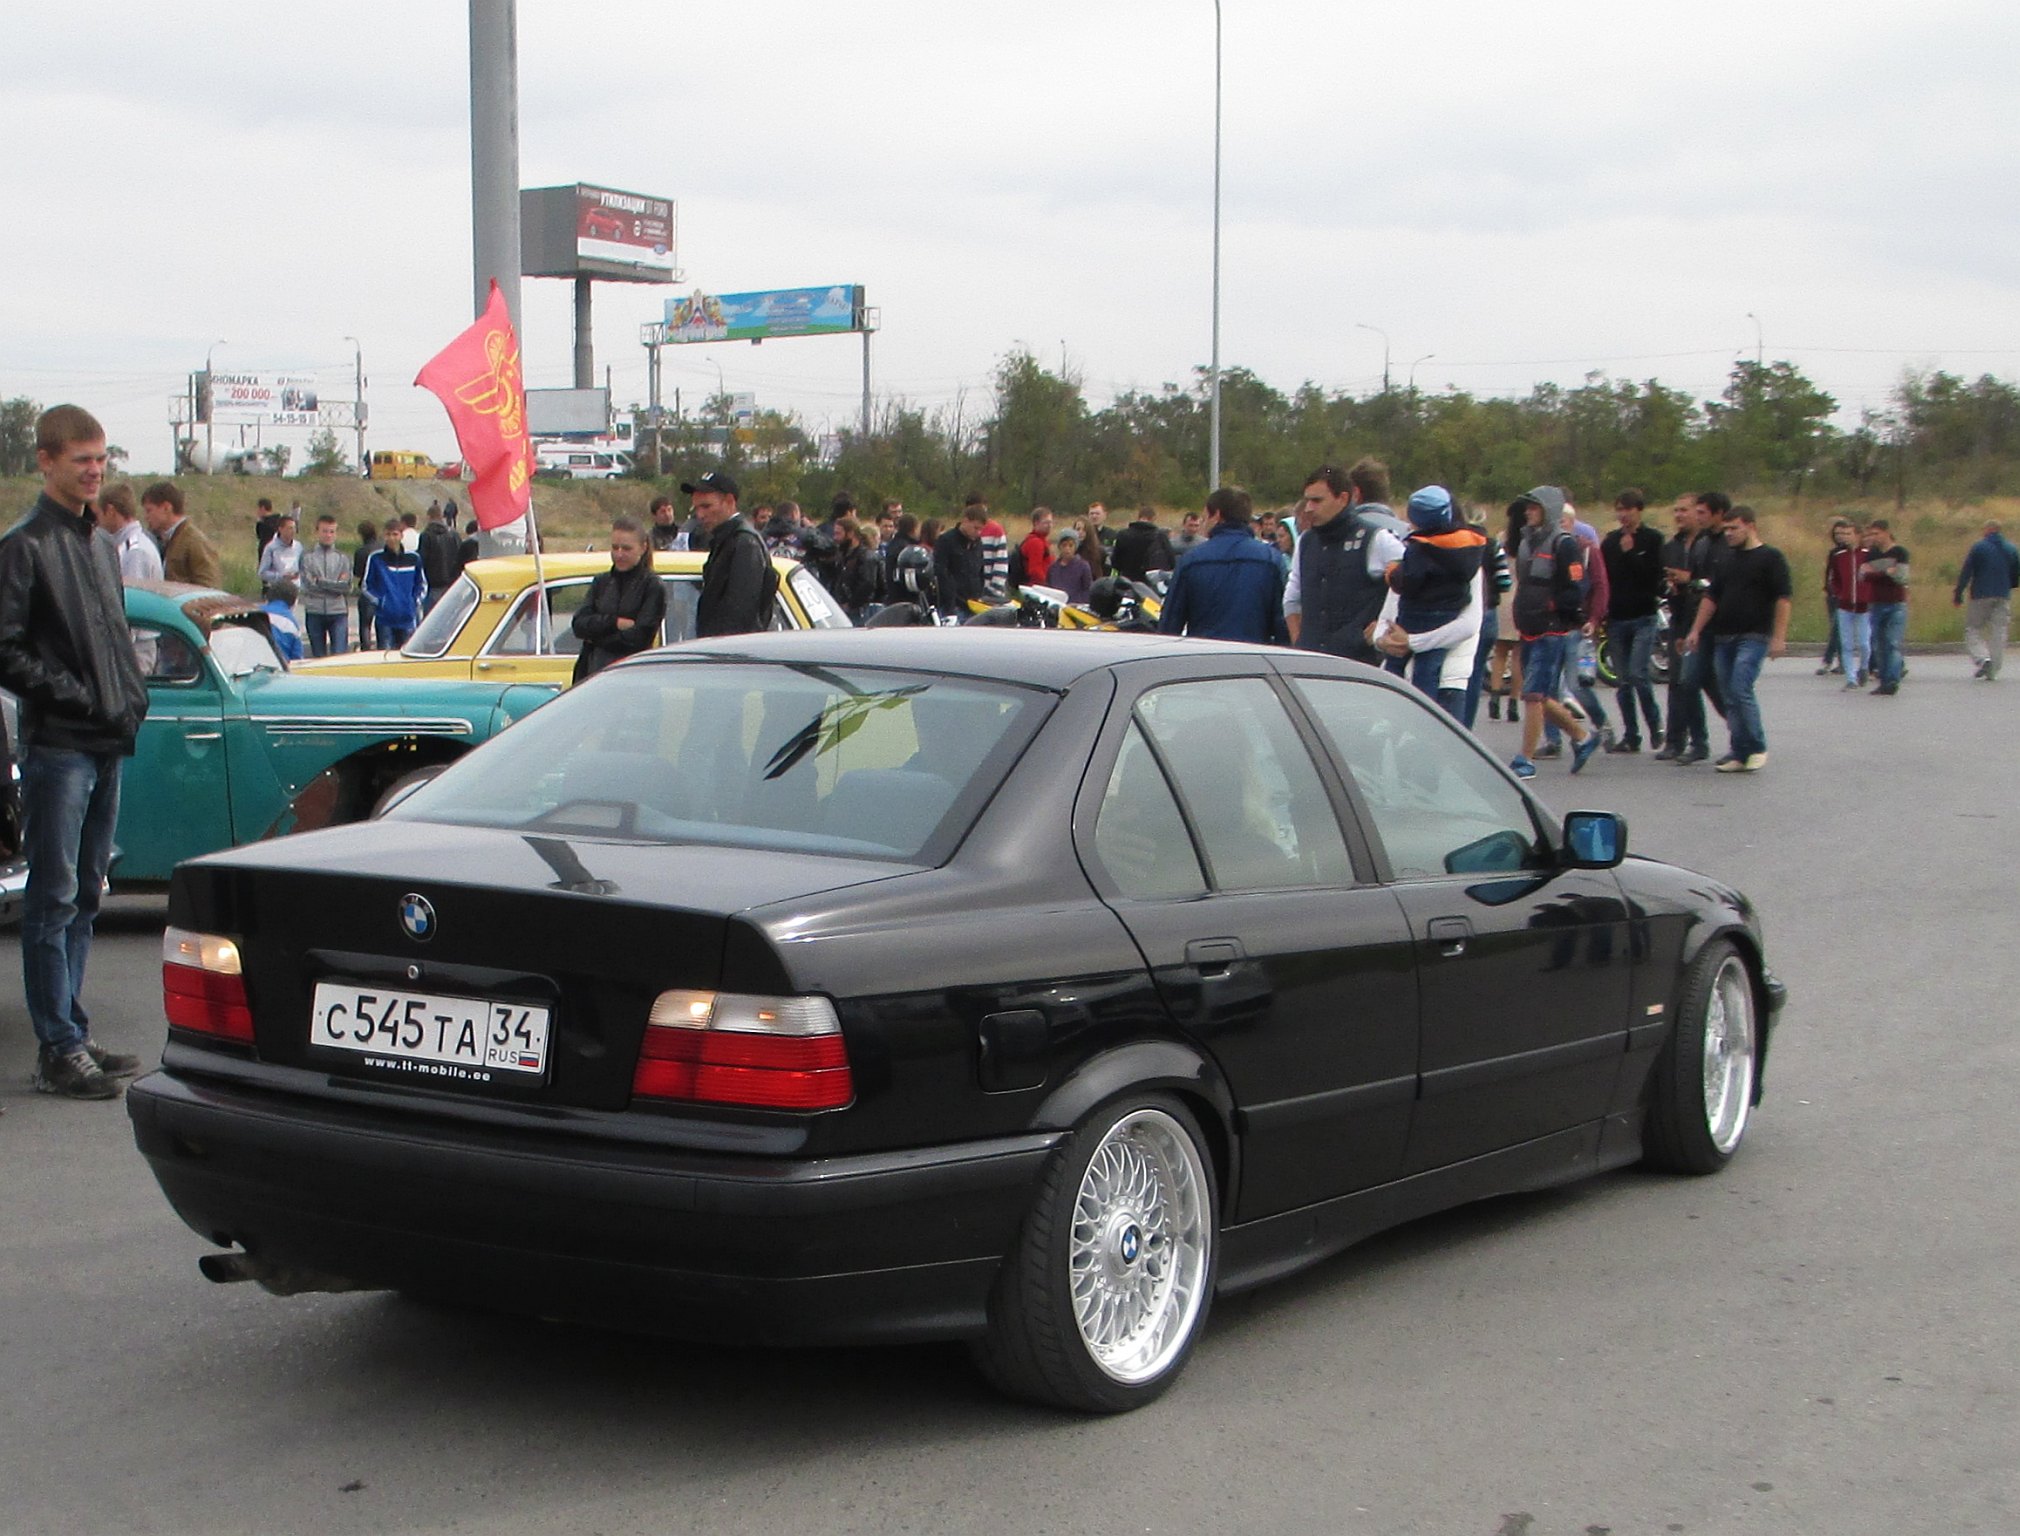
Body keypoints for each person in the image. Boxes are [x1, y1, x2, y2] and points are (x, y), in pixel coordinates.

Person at [0, 405, 149, 1099]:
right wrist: (85, 699)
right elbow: (6, 650)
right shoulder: (24, 546)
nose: (94, 471)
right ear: (47, 462)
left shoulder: (98, 543)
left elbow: (114, 636)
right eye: (81, 459)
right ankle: (58, 1047)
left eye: (100, 458)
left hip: (105, 740)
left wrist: (128, 697)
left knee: (88, 893)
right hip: (60, 745)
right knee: (54, 897)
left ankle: (71, 1029)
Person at [1680, 505, 1790, 771]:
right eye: (1726, 528)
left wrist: (1779, 637)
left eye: (1734, 528)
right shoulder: (1726, 560)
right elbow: (1711, 598)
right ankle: (1739, 752)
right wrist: (1695, 630)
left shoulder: (1771, 557)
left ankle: (1756, 746)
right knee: (1728, 694)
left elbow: (1783, 599)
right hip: (1723, 636)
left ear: (1750, 526)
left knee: (1741, 687)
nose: (1728, 533)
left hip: (1753, 635)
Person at [1507, 486, 1599, 777]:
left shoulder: (1564, 543)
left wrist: (1558, 610)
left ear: (1548, 509)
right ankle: (1583, 737)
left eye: (1534, 507)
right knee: (1539, 694)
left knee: (1534, 695)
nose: (1528, 512)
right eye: (1527, 507)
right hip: (1528, 625)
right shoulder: (1526, 541)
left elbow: (1575, 585)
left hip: (1551, 627)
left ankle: (1525, 759)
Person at [1286, 459, 1404, 663]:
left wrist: (1385, 624)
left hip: (1359, 664)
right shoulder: (1306, 541)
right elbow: (1291, 598)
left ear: (1342, 498)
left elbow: (1415, 581)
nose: (1309, 508)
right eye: (1307, 501)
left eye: (1317, 501)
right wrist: (1299, 642)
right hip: (1311, 663)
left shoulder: (1375, 538)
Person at [1381, 484, 1486, 707]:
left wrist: (1393, 573)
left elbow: (1469, 625)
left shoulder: (1419, 549)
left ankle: (1406, 694)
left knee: (1396, 665)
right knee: (1429, 668)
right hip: (1448, 611)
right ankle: (1424, 705)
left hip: (1417, 618)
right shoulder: (1468, 550)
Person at [1654, 491, 1731, 763]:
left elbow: (1711, 583)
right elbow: (1666, 584)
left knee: (1712, 684)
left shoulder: (1714, 543)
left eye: (1686, 510)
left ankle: (1742, 735)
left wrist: (1688, 579)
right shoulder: (1672, 546)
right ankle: (1681, 740)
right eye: (1676, 510)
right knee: (1682, 682)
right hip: (1683, 618)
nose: (1680, 515)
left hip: (1711, 622)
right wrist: (1670, 586)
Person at [1158, 486, 1288, 644]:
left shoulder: (1191, 561)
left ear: (1217, 515)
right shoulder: (1271, 560)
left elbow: (1169, 626)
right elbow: (1282, 623)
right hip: (1254, 653)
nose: (1204, 523)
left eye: (1205, 517)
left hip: (1205, 653)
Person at [1599, 488, 1665, 752]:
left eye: (1628, 509)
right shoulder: (1610, 542)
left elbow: (1653, 579)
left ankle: (1655, 725)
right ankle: (1631, 734)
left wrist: (1632, 554)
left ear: (1639, 511)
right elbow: (1604, 580)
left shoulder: (1653, 540)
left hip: (1643, 616)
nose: (1623, 515)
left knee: (1638, 674)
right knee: (1623, 680)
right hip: (1617, 618)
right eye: (1619, 510)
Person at [570, 515, 667, 684]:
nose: (619, 554)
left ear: (643, 547)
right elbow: (579, 624)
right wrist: (614, 623)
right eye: (615, 548)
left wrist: (595, 638)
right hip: (592, 675)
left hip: (632, 677)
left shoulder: (652, 586)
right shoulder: (601, 582)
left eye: (626, 549)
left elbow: (638, 638)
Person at [689, 471, 773, 636]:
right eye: (696, 508)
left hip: (730, 646)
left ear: (729, 501)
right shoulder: (726, 539)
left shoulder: (744, 543)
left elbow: (740, 614)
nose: (700, 515)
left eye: (706, 506)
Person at [1954, 519, 2018, 680]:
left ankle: (1983, 659)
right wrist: (2009, 586)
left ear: (1988, 529)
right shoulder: (2011, 548)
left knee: (1973, 629)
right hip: (2003, 595)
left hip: (1980, 595)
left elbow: (1967, 571)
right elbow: (2016, 572)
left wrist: (1958, 593)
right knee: (1999, 632)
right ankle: (1994, 669)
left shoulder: (1979, 547)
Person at [140, 480, 222, 588]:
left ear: (166, 508)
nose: (146, 517)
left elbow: (209, 588)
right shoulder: (161, 539)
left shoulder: (194, 541)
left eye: (149, 511)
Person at [1862, 519, 1911, 696]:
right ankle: (1883, 680)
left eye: (1876, 533)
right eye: (1871, 534)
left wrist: (1876, 573)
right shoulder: (1871, 554)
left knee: (1892, 642)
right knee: (1878, 644)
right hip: (1876, 603)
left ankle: (1892, 680)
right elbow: (1863, 575)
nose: (1873, 537)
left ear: (1886, 532)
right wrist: (1885, 572)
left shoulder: (1900, 552)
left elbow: (1901, 577)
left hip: (1896, 603)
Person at [1824, 518, 1872, 689]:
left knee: (1864, 643)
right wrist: (1838, 592)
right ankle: (1851, 678)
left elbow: (1876, 576)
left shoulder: (1868, 554)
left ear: (1858, 535)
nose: (1844, 537)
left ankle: (1864, 667)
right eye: (1843, 533)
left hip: (1864, 606)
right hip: (1844, 605)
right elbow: (1834, 578)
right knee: (1846, 644)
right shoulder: (1838, 556)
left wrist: (1869, 594)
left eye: (1848, 533)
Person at [299, 514, 354, 657]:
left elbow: (347, 587)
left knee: (339, 655)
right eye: (324, 531)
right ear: (317, 532)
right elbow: (308, 586)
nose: (328, 535)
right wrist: (334, 586)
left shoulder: (343, 558)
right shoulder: (307, 557)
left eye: (332, 532)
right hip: (315, 611)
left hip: (338, 612)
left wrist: (320, 582)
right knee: (318, 656)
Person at [364, 533, 427, 648]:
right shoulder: (376, 558)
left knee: (406, 652)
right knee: (385, 653)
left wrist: (414, 601)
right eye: (388, 534)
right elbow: (367, 585)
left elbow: (421, 583)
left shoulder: (413, 558)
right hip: (385, 618)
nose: (392, 538)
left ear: (401, 536)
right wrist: (380, 601)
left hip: (407, 617)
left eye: (395, 534)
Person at [1819, 518, 1862, 679]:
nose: (1840, 537)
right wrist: (1829, 589)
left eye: (1844, 533)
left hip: (1849, 595)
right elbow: (1831, 574)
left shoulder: (1857, 553)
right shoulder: (1835, 553)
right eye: (1837, 533)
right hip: (1834, 595)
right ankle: (1839, 662)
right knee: (1836, 629)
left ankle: (1830, 660)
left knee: (1839, 629)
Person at [97, 482, 163, 585]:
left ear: (110, 511)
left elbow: (132, 593)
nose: (98, 520)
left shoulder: (134, 552)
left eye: (99, 513)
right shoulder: (131, 545)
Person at [933, 505, 990, 617]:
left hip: (974, 603)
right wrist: (950, 600)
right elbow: (941, 572)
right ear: (965, 521)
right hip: (953, 605)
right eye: (975, 528)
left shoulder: (977, 543)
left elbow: (980, 571)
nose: (978, 532)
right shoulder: (946, 541)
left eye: (981, 529)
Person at [417, 502, 463, 612]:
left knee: (433, 618)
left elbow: (422, 561)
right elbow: (461, 558)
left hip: (433, 585)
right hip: (452, 585)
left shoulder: (426, 536)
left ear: (428, 517)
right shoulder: (454, 534)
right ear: (441, 516)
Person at [1111, 506, 1175, 584]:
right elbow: (1171, 560)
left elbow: (1115, 562)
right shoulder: (1160, 536)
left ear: (1138, 517)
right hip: (1150, 584)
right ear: (1153, 518)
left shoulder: (1122, 534)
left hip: (1127, 581)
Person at [259, 578, 305, 662]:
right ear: (294, 602)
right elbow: (297, 658)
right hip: (280, 665)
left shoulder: (255, 613)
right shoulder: (291, 623)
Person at [352, 519, 382, 645]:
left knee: (365, 624)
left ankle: (366, 647)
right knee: (382, 623)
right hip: (382, 590)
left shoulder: (361, 551)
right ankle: (382, 646)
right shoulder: (382, 548)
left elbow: (357, 573)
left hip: (367, 591)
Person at [257, 513, 303, 591]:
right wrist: (281, 576)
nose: (293, 531)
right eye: (290, 528)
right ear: (280, 529)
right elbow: (262, 573)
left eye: (294, 528)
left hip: (296, 589)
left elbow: (303, 567)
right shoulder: (271, 548)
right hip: (278, 590)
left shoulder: (298, 547)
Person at [1050, 528, 1094, 604]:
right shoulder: (1053, 568)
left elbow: (1088, 590)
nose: (1067, 549)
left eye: (1071, 545)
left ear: (1075, 547)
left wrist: (1077, 602)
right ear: (1059, 547)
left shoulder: (1083, 566)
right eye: (1064, 545)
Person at [1017, 507, 1054, 590]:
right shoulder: (1035, 542)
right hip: (1037, 589)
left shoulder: (1042, 541)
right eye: (1046, 523)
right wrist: (1047, 585)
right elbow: (1035, 571)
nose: (1049, 526)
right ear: (1036, 523)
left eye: (1051, 522)